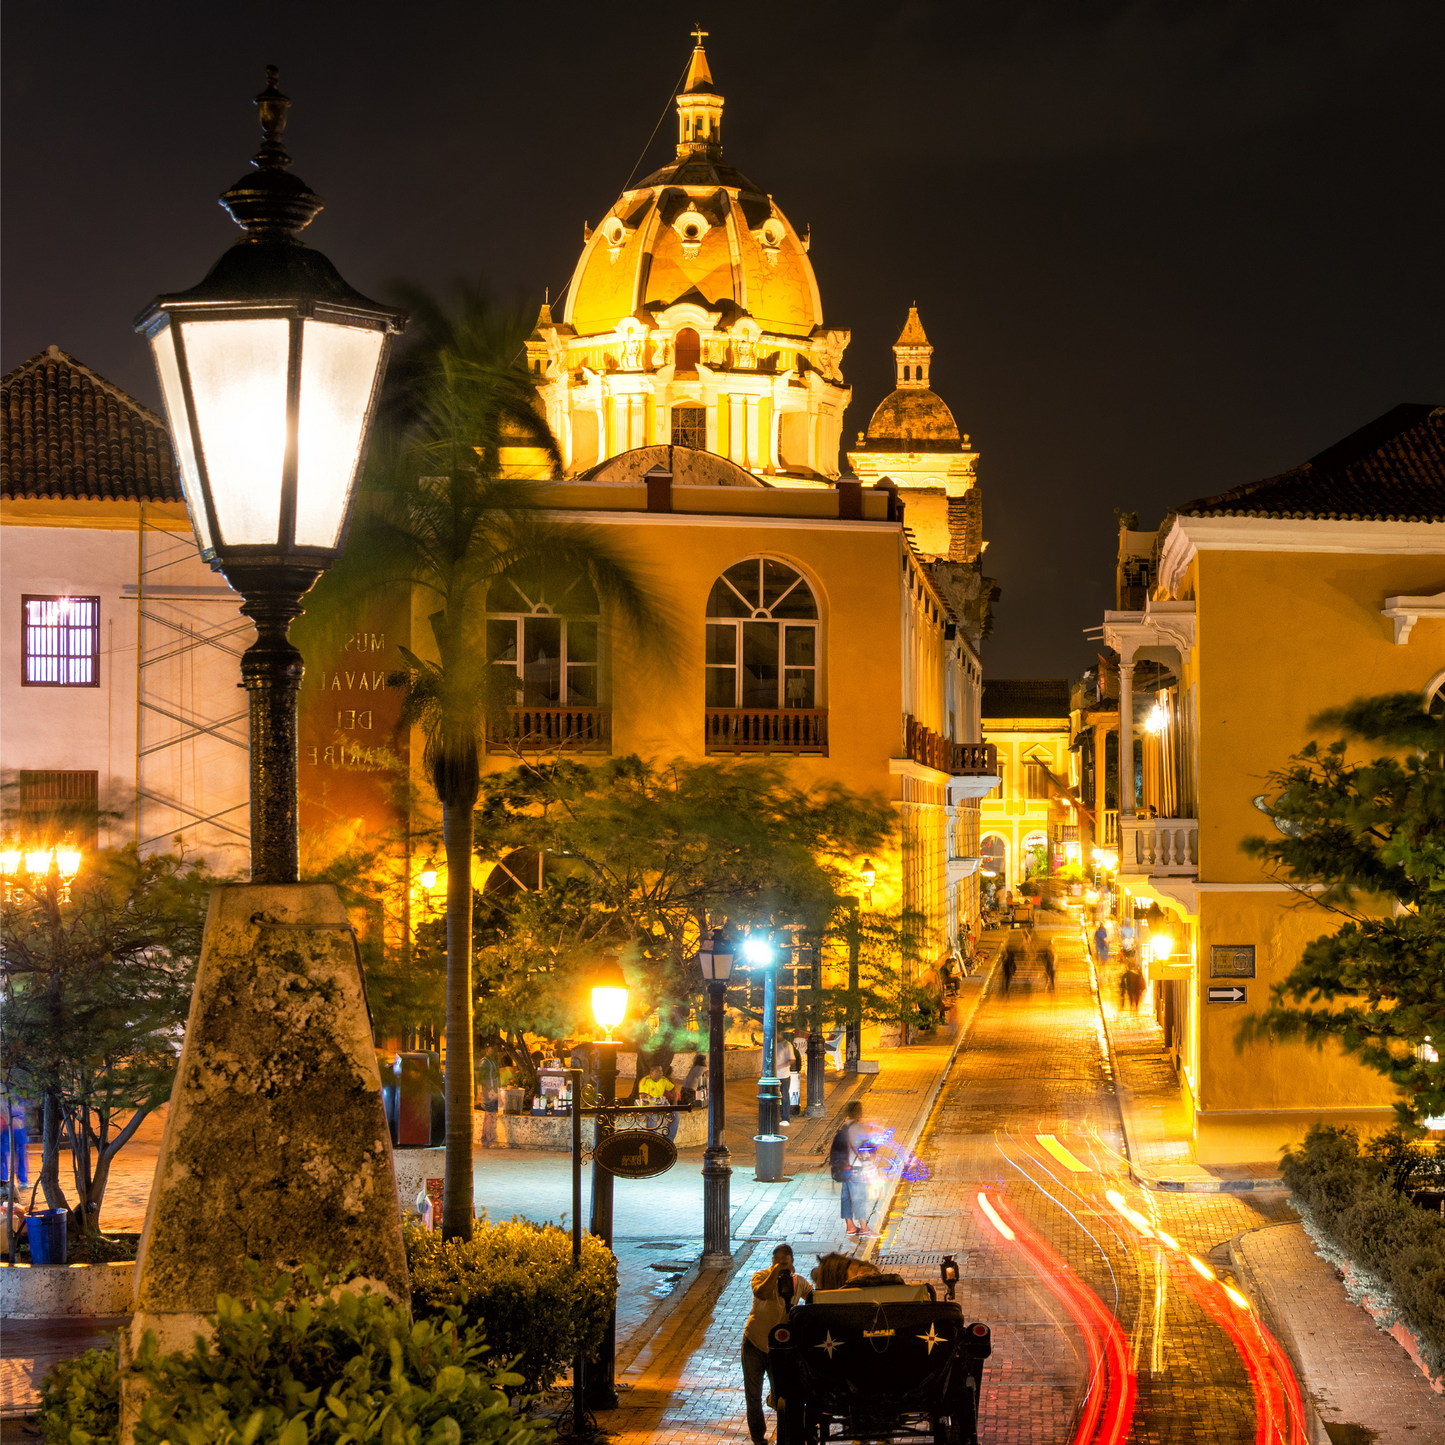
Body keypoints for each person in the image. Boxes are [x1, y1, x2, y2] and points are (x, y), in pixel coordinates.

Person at [742, 1243, 814, 1444]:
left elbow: (813, 1299)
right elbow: (762, 1293)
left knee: (782, 1393)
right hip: (755, 1342)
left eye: (785, 1260)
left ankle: (787, 1433)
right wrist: (775, 1273)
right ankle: (758, 1438)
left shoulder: (799, 1282)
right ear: (772, 1261)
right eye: (777, 1260)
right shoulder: (761, 1276)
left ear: (792, 1262)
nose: (781, 1263)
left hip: (780, 1348)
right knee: (753, 1395)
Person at [829, 1100, 876, 1238]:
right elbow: (868, 1149)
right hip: (857, 1168)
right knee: (859, 1198)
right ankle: (864, 1228)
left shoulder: (845, 1127)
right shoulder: (860, 1128)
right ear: (860, 1113)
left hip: (845, 1168)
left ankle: (850, 1226)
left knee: (846, 1197)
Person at [0, 1093, 28, 1189]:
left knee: (18, 1154)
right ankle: (4, 1181)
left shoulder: (14, 1093)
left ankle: (20, 1180)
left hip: (15, 1127)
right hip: (7, 1128)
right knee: (4, 1156)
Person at [774, 1038, 794, 1126]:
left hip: (783, 1075)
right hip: (773, 1075)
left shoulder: (787, 1045)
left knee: (784, 1096)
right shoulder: (773, 1042)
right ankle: (774, 1115)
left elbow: (791, 1059)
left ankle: (785, 1118)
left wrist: (779, 1066)